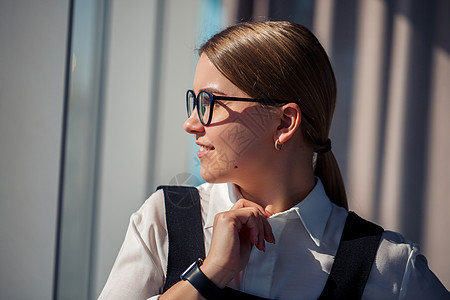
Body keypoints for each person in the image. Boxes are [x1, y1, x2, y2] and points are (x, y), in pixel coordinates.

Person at [99, 21, 448, 299]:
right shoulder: (163, 219)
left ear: (284, 123)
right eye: (194, 102)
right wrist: (209, 275)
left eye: (210, 103)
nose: (191, 124)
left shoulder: (389, 267)